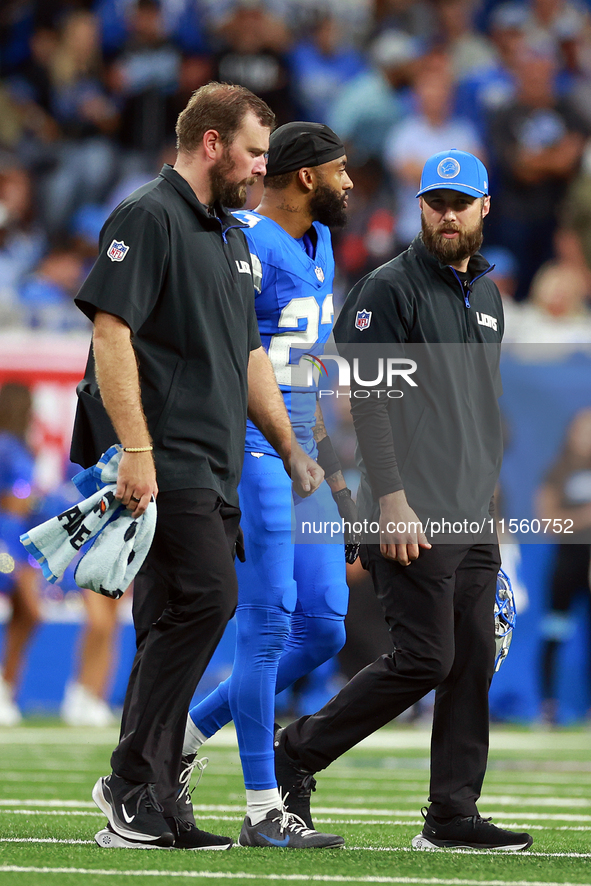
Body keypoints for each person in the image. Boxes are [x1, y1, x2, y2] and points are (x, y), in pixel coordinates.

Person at [69, 82, 324, 852]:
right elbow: (111, 333)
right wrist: (136, 450)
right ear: (210, 142)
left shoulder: (228, 235)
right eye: (251, 152)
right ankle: (131, 780)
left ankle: (152, 803)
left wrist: (287, 447)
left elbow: (248, 354)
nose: (258, 170)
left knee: (168, 620)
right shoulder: (149, 215)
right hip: (165, 455)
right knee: (208, 600)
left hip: (213, 464)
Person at [273, 149, 534, 852]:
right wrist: (388, 500)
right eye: (434, 202)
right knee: (425, 658)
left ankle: (451, 815)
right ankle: (294, 752)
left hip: (470, 509)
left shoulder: (486, 295)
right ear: (419, 207)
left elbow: (480, 409)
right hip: (409, 503)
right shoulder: (388, 289)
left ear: (484, 208)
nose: (445, 214)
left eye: (458, 202)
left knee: (472, 656)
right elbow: (371, 405)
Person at [182, 121, 355, 849]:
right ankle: (261, 809)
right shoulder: (243, 238)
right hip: (250, 447)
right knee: (268, 624)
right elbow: (222, 349)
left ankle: (180, 738)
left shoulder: (318, 243)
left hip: (298, 453)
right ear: (307, 176)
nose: (350, 183)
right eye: (340, 170)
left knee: (323, 624)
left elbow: (301, 365)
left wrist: (322, 457)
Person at [536, 407, 591, 725]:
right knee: (555, 632)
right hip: (565, 566)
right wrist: (584, 517)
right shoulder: (557, 472)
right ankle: (548, 706)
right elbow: (550, 520)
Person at [0, 382, 41, 725]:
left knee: (27, 612)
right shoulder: (5, 447)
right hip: (6, 544)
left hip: (20, 543)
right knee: (25, 609)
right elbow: (13, 503)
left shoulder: (21, 448)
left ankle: (6, 689)